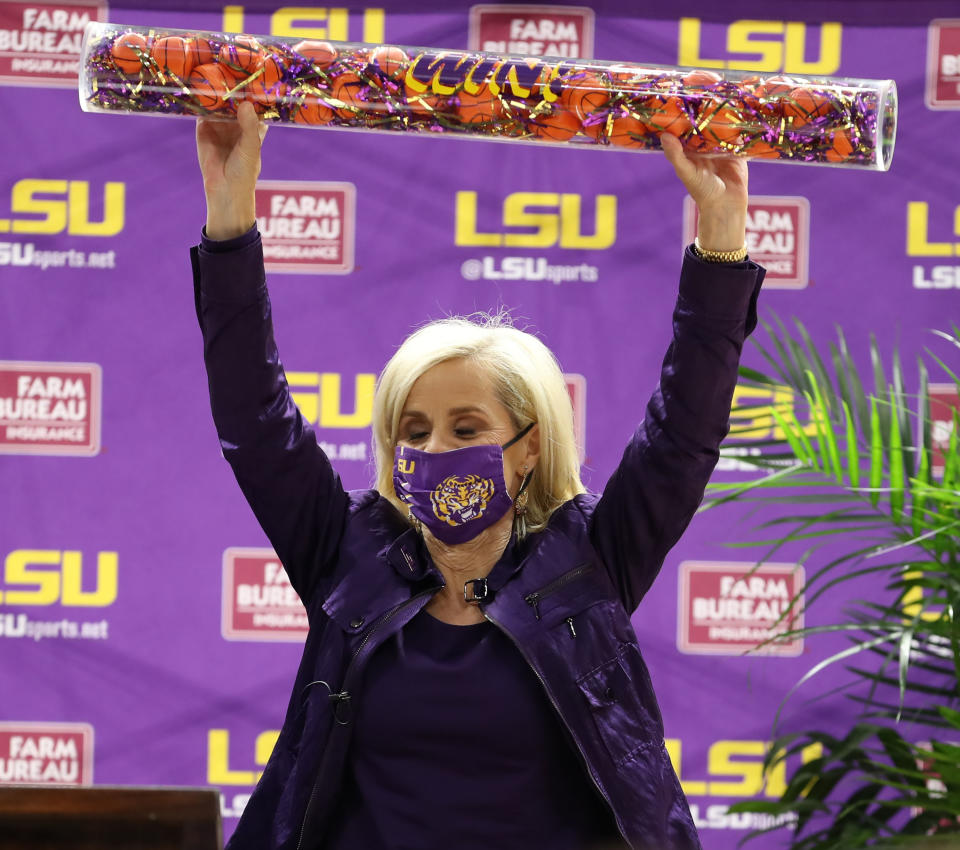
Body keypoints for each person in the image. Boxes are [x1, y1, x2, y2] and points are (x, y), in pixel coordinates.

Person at [193, 100, 765, 850]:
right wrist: (230, 220)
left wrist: (721, 242)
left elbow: (683, 434)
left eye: (467, 429)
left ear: (529, 446)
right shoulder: (346, 553)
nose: (435, 449)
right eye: (414, 431)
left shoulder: (591, 560)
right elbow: (256, 424)